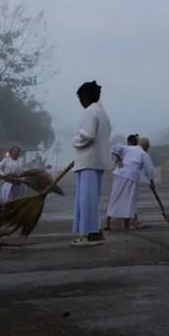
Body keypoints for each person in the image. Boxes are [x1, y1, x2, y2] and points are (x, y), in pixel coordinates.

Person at [70, 80, 111, 247]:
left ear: (86, 96)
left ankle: (89, 233)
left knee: (86, 200)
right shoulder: (103, 113)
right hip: (96, 161)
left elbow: (87, 135)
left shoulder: (90, 111)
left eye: (80, 98)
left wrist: (74, 140)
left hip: (88, 162)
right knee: (91, 199)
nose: (80, 102)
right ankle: (94, 231)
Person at [106, 135, 154, 230]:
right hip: (131, 176)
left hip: (119, 173)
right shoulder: (143, 154)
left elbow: (115, 149)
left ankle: (107, 224)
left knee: (115, 197)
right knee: (129, 200)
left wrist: (119, 159)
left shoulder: (128, 148)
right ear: (146, 148)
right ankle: (126, 225)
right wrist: (151, 181)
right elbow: (149, 169)